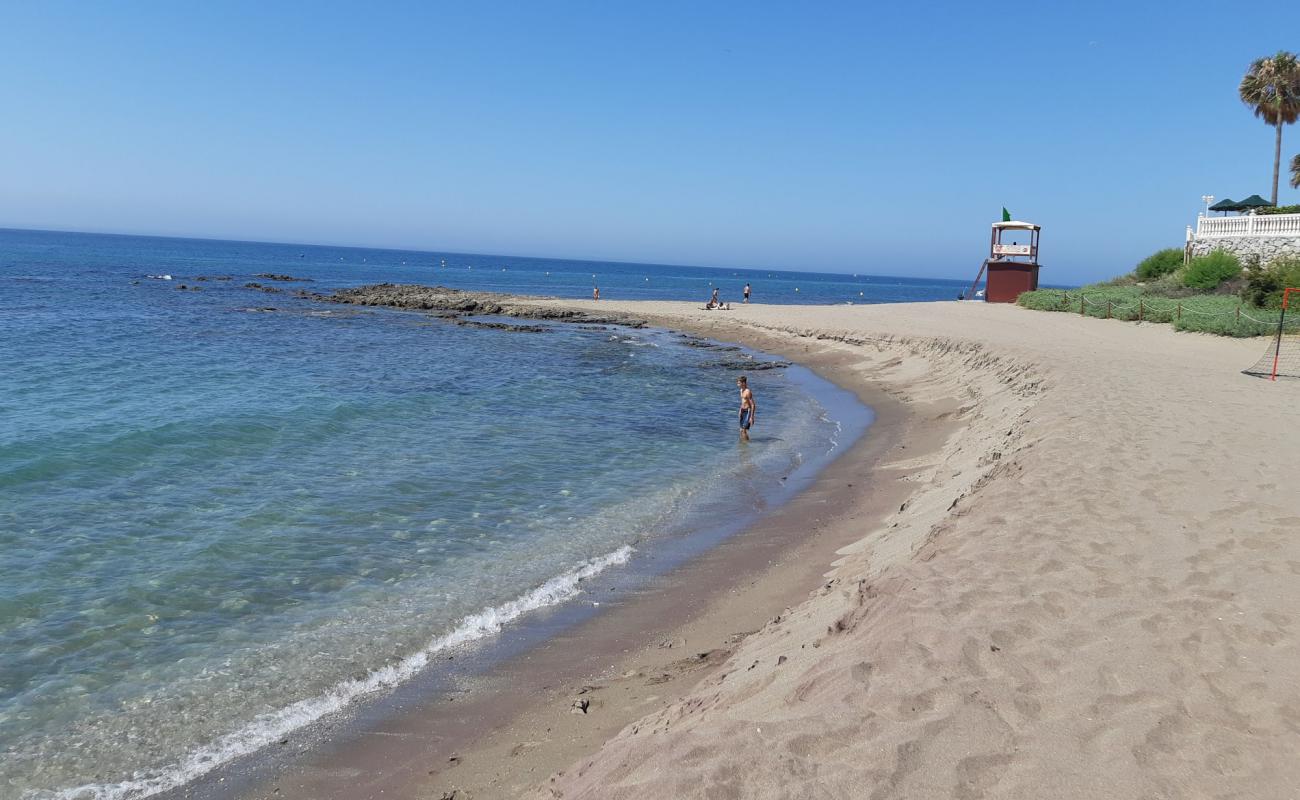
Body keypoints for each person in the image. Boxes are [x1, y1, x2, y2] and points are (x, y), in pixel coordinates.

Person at [737, 375, 756, 442]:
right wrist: (740, 410)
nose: (737, 384)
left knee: (744, 430)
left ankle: (747, 445)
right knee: (741, 430)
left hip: (748, 411)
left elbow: (753, 405)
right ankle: (743, 444)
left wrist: (752, 417)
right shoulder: (741, 390)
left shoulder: (748, 392)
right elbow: (743, 402)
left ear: (743, 383)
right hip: (743, 411)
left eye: (739, 383)